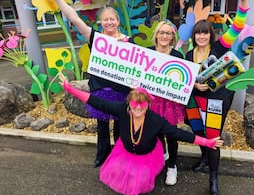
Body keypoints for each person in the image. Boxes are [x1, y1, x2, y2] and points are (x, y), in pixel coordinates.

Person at [58, 73, 224, 195]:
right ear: (129, 103)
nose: (138, 107)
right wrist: (70, 89)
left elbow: (179, 133)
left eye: (142, 103)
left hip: (147, 154)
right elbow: (95, 101)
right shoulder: (121, 109)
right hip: (125, 151)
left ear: (148, 104)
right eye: (134, 103)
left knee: (141, 179)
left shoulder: (156, 120)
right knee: (122, 174)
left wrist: (207, 142)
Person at [48, 0, 131, 168]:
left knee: (121, 127)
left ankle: (120, 156)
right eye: (106, 19)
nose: (109, 22)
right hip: (100, 90)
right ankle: (102, 155)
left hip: (121, 91)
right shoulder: (96, 39)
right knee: (102, 127)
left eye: (113, 19)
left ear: (118, 21)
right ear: (101, 23)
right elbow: (75, 18)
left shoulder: (129, 43)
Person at [185, 0, 249, 195]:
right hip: (194, 101)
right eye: (198, 33)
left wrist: (243, 2)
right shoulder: (187, 55)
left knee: (213, 137)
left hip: (215, 101)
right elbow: (184, 79)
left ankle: (213, 179)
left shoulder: (220, 47)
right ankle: (203, 159)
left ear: (210, 34)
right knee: (198, 131)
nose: (201, 36)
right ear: (194, 37)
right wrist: (194, 84)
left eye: (205, 32)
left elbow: (238, 26)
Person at [148, 19, 185, 186]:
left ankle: (172, 166)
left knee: (171, 133)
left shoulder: (177, 56)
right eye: (161, 32)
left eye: (168, 33)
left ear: (173, 37)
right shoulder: (147, 52)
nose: (164, 36)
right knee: (156, 131)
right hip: (152, 100)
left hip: (170, 102)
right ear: (156, 35)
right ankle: (162, 155)